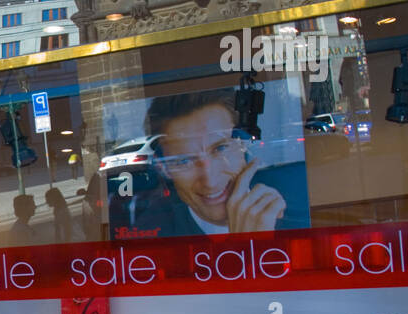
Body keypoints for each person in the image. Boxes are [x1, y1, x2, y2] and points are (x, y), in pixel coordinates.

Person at [126, 89, 309, 237]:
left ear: (244, 146)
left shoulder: (299, 199)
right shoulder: (151, 234)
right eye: (184, 160)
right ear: (163, 168)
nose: (210, 181)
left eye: (221, 149)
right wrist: (247, 245)